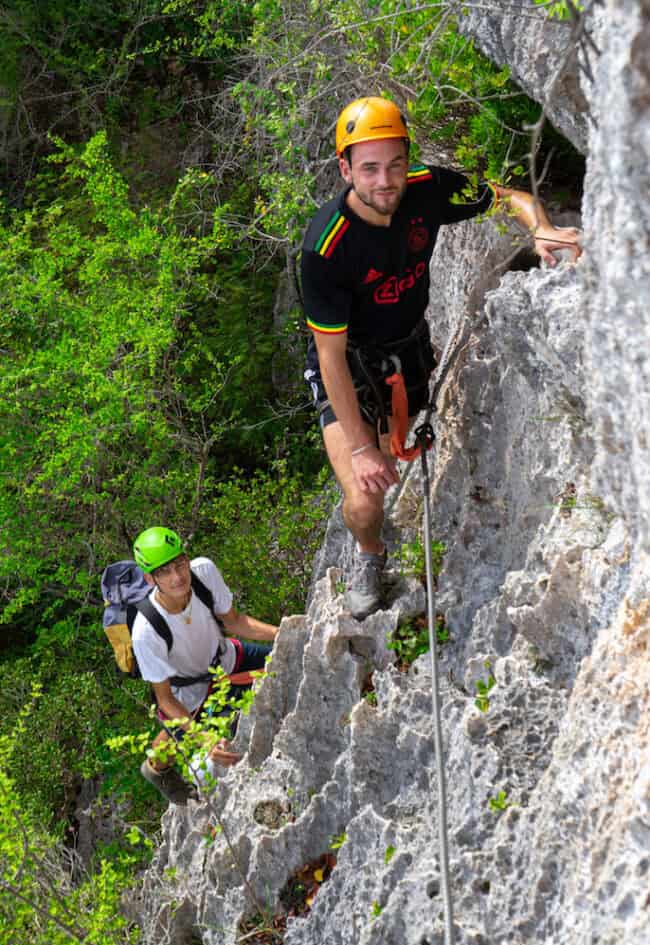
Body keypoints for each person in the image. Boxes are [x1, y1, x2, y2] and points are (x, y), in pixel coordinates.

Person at [301, 96, 582, 619]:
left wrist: (538, 225)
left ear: (408, 160)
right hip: (349, 369)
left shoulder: (428, 191)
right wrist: (359, 448)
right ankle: (369, 553)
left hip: (405, 355)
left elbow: (508, 197)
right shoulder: (328, 247)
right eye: (369, 168)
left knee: (388, 460)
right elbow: (330, 355)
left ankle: (378, 479)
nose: (385, 180)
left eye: (394, 164)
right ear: (345, 169)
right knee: (365, 498)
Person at [132, 526, 279, 803]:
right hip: (187, 694)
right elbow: (165, 700)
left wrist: (284, 632)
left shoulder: (203, 573)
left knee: (287, 657)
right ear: (150, 578)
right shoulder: (146, 630)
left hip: (227, 659)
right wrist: (204, 739)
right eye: (165, 571)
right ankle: (156, 769)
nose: (177, 577)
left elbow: (234, 621)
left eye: (179, 564)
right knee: (181, 741)